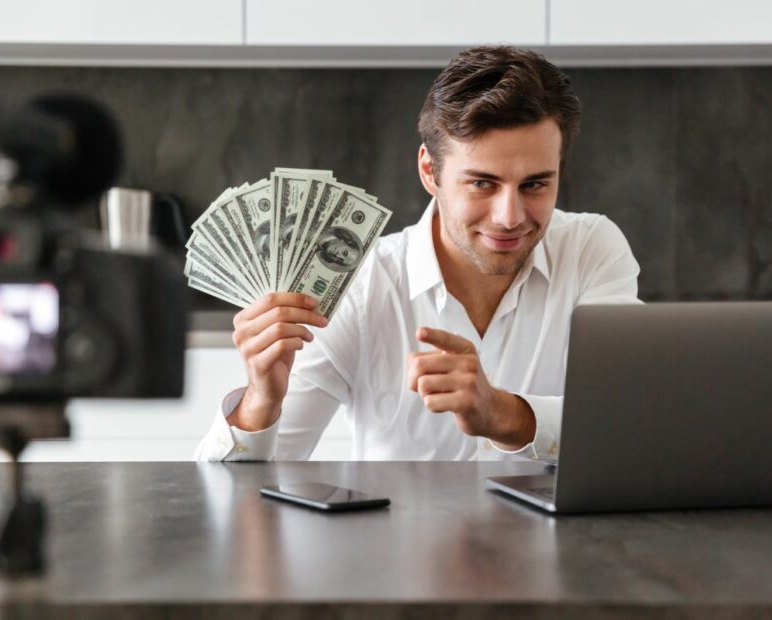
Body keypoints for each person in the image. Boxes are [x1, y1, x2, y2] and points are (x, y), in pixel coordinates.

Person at [195, 46, 641, 462]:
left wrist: (502, 413)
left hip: (558, 546)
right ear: (430, 171)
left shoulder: (591, 250)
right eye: (482, 183)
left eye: (535, 184)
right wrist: (261, 400)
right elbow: (231, 498)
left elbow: (629, 425)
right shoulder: (358, 284)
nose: (510, 216)